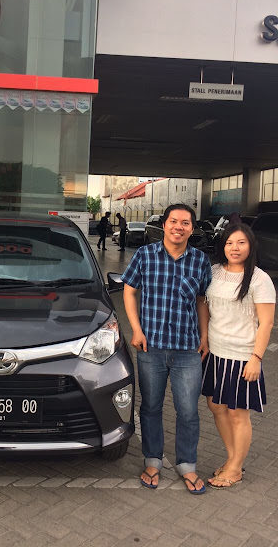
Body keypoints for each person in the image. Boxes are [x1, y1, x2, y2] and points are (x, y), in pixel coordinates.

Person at [121, 203, 211, 494]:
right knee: (151, 407)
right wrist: (136, 330)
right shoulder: (145, 255)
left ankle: (187, 464)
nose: (178, 227)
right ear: (164, 225)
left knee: (188, 412)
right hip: (152, 347)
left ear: (192, 229)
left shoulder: (200, 260)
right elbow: (129, 291)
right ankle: (153, 461)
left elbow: (201, 301)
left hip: (188, 349)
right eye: (174, 221)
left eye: (185, 223)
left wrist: (204, 336)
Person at [202, 223, 275, 489]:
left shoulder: (259, 279)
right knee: (216, 407)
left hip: (243, 356)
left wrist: (257, 358)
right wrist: (204, 339)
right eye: (230, 242)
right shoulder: (214, 272)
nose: (235, 248)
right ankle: (233, 459)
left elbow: (266, 323)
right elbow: (204, 306)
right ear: (223, 246)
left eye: (241, 242)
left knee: (237, 414)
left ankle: (234, 468)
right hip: (215, 353)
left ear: (250, 246)